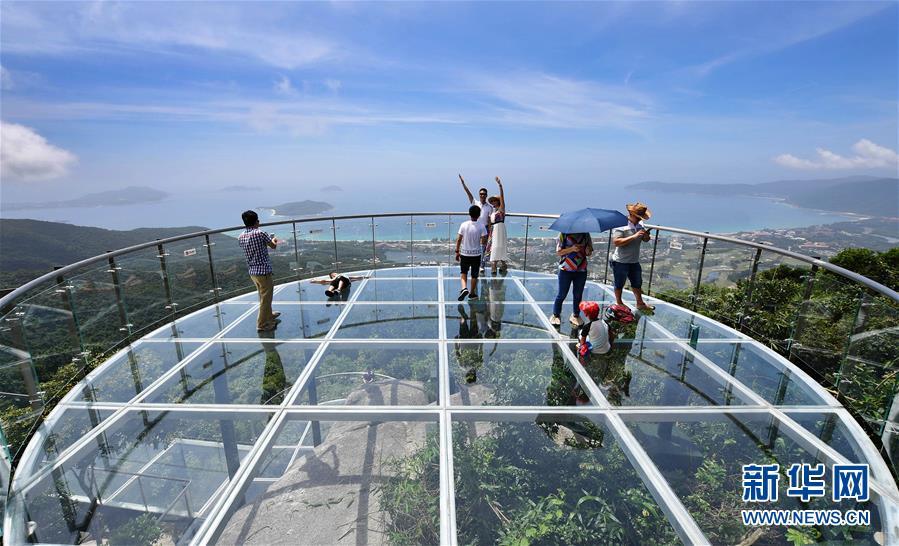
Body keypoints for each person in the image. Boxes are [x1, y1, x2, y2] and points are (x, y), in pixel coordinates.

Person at [238, 210, 281, 332]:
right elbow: (273, 246)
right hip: (263, 271)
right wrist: (274, 239)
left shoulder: (241, 237)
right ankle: (262, 324)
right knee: (266, 298)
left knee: (263, 296)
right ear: (256, 221)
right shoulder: (260, 233)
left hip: (252, 271)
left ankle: (269, 315)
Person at [610, 202, 655, 311]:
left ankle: (640, 303)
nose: (640, 219)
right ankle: (619, 303)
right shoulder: (621, 225)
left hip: (634, 260)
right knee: (619, 283)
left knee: (637, 283)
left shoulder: (640, 225)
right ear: (632, 214)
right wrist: (634, 236)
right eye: (639, 217)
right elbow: (616, 242)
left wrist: (646, 236)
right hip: (620, 261)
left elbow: (645, 240)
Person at [550, 231, 593, 327]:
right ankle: (556, 314)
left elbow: (589, 251)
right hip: (565, 269)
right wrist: (572, 249)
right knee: (562, 294)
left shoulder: (585, 234)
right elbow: (559, 252)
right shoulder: (564, 234)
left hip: (581, 269)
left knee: (578, 295)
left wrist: (588, 251)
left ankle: (576, 315)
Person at [459, 174, 494, 272]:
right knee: (473, 246)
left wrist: (490, 232)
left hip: (484, 228)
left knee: (483, 248)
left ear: (486, 195)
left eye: (484, 194)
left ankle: (481, 265)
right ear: (479, 195)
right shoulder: (475, 202)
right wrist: (463, 183)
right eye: (481, 194)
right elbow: (468, 193)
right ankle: (472, 263)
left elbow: (489, 220)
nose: (482, 195)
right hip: (474, 227)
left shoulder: (489, 207)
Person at [455, 205, 488, 301]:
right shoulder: (481, 226)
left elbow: (459, 239)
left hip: (465, 253)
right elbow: (484, 241)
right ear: (479, 215)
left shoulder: (464, 225)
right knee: (474, 275)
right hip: (476, 254)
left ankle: (464, 288)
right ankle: (472, 293)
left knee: (463, 272)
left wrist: (457, 251)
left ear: (469, 214)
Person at [486, 176, 508, 274]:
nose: (493, 202)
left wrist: (500, 185)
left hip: (500, 228)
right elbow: (490, 221)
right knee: (494, 246)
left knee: (499, 246)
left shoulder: (501, 209)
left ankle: (496, 265)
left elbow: (502, 197)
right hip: (494, 229)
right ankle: (499, 265)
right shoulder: (493, 211)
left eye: (495, 200)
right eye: (492, 201)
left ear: (498, 201)